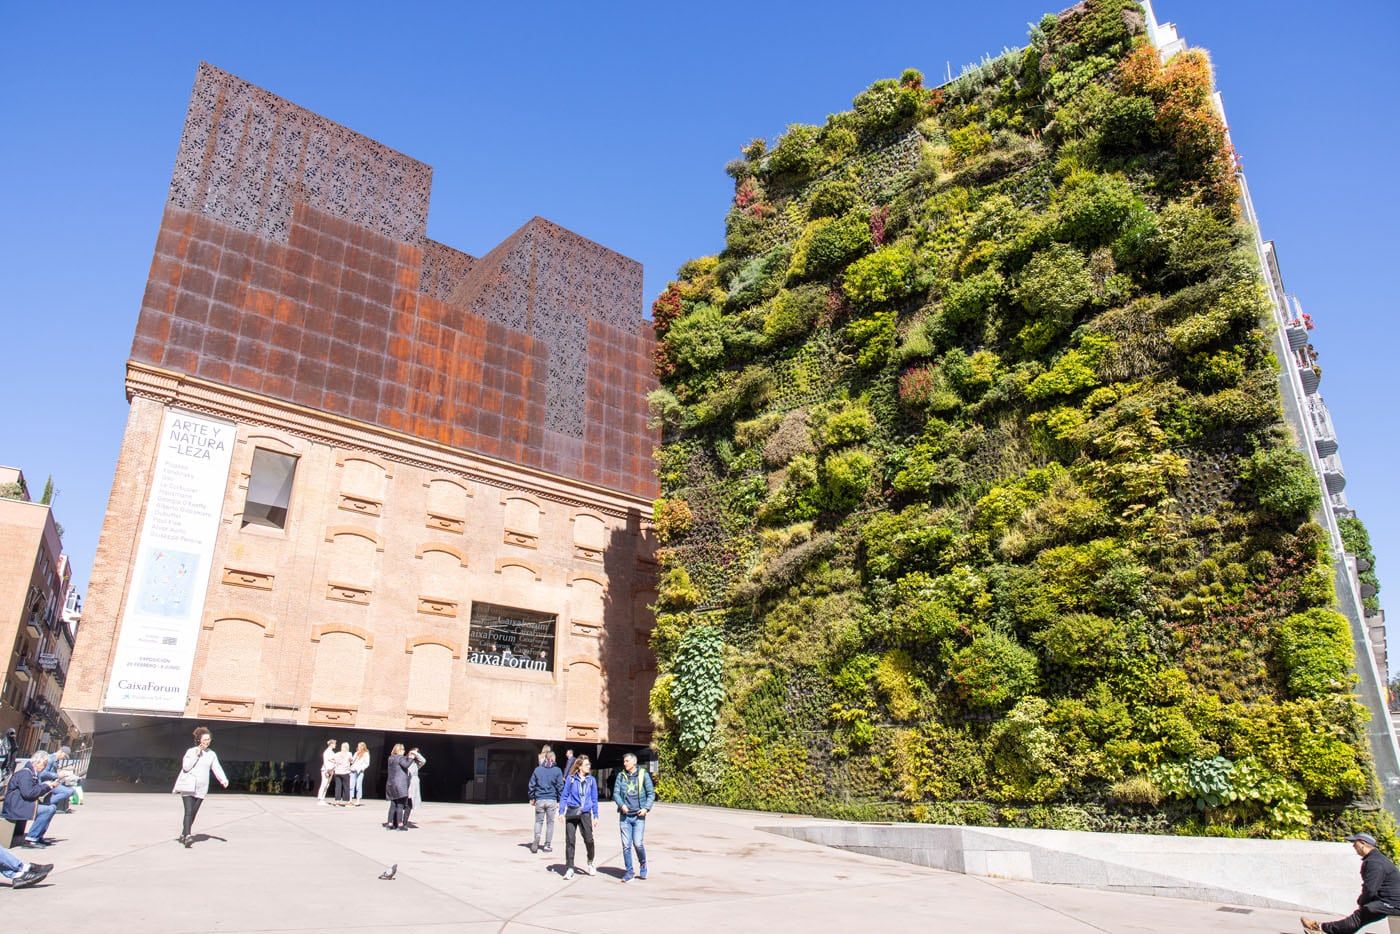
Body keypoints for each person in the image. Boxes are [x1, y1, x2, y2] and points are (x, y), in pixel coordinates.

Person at [1303, 833, 1400, 932]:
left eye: (1355, 842)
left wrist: (1362, 901)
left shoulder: (1374, 862)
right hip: (1389, 901)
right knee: (1360, 917)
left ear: (1363, 843)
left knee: (1358, 917)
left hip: (1392, 902)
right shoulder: (1376, 859)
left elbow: (1370, 888)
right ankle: (1321, 928)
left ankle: (1320, 928)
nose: (1353, 845)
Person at [171, 727, 228, 848]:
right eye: (205, 739)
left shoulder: (212, 754)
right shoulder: (191, 751)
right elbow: (186, 767)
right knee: (188, 811)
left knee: (194, 813)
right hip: (188, 786)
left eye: (209, 739)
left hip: (201, 788)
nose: (207, 742)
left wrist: (223, 779)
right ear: (199, 740)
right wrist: (197, 754)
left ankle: (183, 833)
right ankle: (187, 837)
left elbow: (216, 768)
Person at [613, 752, 655, 882]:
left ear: (634, 762)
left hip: (638, 816)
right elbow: (616, 793)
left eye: (627, 761)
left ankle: (643, 864)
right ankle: (629, 871)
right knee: (626, 846)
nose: (624, 763)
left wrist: (646, 808)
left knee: (638, 843)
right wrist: (621, 805)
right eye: (624, 761)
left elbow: (651, 793)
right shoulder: (621, 776)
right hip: (625, 816)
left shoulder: (643, 774)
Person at [3, 751, 59, 849]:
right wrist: (45, 786)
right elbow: (29, 793)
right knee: (48, 809)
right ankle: (31, 838)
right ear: (37, 762)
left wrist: (47, 786)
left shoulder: (31, 773)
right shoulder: (25, 773)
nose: (45, 767)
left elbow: (32, 791)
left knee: (52, 807)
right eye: (44, 764)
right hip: (16, 806)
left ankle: (38, 836)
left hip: (20, 804)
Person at [559, 755, 598, 881]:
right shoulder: (571, 779)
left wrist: (596, 815)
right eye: (586, 765)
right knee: (570, 840)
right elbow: (564, 796)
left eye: (589, 764)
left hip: (585, 813)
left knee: (589, 839)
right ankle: (570, 867)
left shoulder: (591, 780)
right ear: (580, 766)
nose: (589, 766)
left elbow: (594, 799)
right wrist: (561, 812)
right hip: (572, 812)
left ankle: (590, 861)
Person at [528, 750, 564, 854]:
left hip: (539, 799)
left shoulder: (537, 770)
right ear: (553, 758)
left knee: (538, 821)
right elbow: (560, 787)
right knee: (550, 823)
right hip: (551, 800)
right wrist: (559, 800)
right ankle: (547, 845)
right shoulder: (557, 771)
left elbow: (531, 785)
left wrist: (532, 797)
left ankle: (537, 838)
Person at [384, 744, 412, 831]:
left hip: (390, 784)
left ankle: (389, 824)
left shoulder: (390, 758)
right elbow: (406, 765)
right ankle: (400, 825)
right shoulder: (400, 758)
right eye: (403, 749)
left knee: (393, 805)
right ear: (399, 750)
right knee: (400, 805)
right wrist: (411, 757)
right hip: (400, 785)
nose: (404, 751)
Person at [406, 748, 426, 825]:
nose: (413, 754)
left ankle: (405, 820)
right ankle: (397, 820)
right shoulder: (405, 760)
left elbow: (423, 761)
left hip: (413, 783)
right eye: (412, 752)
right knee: (401, 803)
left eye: (415, 753)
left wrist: (416, 754)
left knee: (410, 803)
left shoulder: (416, 764)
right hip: (404, 782)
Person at [349, 742, 370, 806]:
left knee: (358, 786)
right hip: (353, 770)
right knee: (351, 785)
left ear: (363, 747)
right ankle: (350, 800)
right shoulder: (356, 753)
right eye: (358, 746)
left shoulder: (366, 754)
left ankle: (358, 800)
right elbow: (353, 761)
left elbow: (367, 763)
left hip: (360, 771)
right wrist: (351, 760)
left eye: (359, 746)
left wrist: (362, 768)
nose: (358, 747)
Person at [332, 742, 352, 806]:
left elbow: (330, 759)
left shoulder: (337, 754)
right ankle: (347, 802)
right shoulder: (349, 754)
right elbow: (351, 761)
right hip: (345, 772)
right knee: (346, 786)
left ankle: (337, 801)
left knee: (338, 786)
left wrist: (336, 763)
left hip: (337, 772)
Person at [316, 739, 335, 804]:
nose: (335, 745)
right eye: (334, 744)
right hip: (326, 770)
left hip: (331, 770)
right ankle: (320, 798)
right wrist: (327, 770)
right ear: (331, 744)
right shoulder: (327, 752)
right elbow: (325, 762)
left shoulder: (332, 752)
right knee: (324, 784)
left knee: (327, 784)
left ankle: (322, 798)